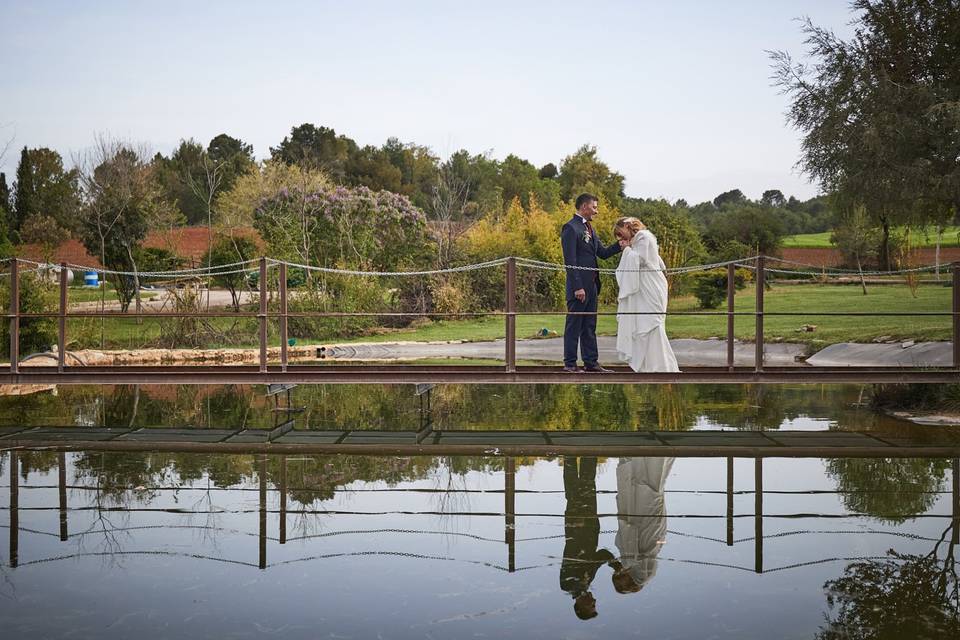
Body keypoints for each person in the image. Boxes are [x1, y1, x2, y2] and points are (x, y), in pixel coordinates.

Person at [560, 193, 623, 373]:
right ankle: (570, 364)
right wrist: (578, 287)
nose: (596, 211)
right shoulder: (570, 228)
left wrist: (620, 245)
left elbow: (602, 253)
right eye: (594, 207)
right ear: (584, 207)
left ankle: (591, 363)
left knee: (589, 325)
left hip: (593, 286)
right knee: (574, 325)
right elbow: (570, 260)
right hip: (578, 288)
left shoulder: (590, 229)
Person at [613, 217, 680, 373]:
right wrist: (629, 247)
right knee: (642, 324)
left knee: (651, 323)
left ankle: (661, 366)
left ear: (627, 226)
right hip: (642, 286)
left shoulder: (644, 236)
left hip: (650, 286)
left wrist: (627, 250)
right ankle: (648, 365)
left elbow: (642, 260)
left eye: (621, 233)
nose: (621, 238)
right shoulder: (637, 239)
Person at [559, 456, 615, 620]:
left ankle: (569, 451)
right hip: (590, 523)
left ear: (580, 606)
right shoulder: (587, 581)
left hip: (577, 524)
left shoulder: (568, 585)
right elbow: (602, 555)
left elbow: (583, 560)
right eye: (594, 605)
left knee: (573, 487)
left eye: (591, 605)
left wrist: (585, 582)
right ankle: (589, 450)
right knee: (588, 483)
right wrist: (615, 565)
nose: (594, 601)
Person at [611, 456, 674, 595]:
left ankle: (637, 453)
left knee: (642, 481)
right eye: (621, 576)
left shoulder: (631, 560)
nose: (620, 571)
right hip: (646, 521)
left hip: (638, 516)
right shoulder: (642, 570)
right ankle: (650, 452)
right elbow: (643, 574)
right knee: (650, 482)